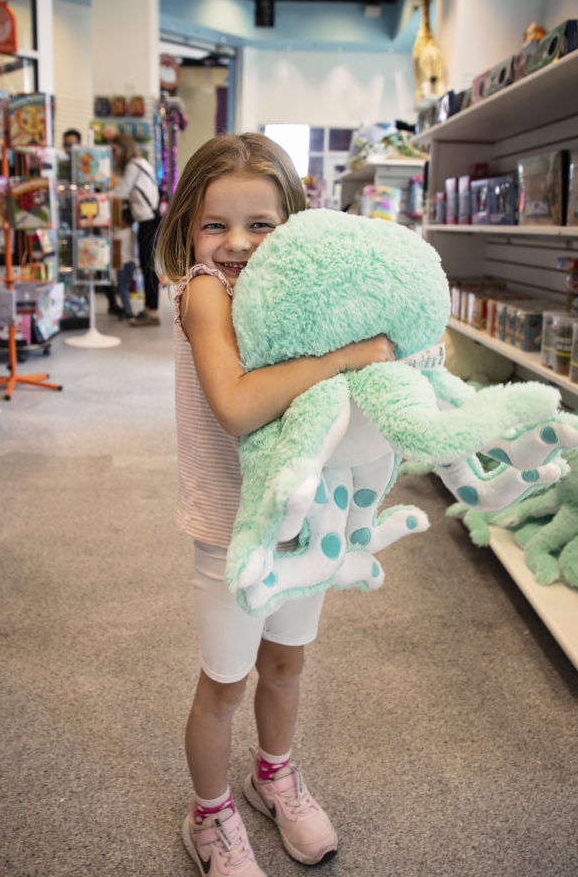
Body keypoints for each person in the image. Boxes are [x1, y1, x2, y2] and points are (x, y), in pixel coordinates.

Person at [155, 132, 396, 877]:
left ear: (294, 226)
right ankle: (210, 814)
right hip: (232, 531)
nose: (237, 244)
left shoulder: (297, 296)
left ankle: (273, 777)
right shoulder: (204, 291)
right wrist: (342, 357)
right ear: (188, 230)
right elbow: (234, 406)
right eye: (216, 224)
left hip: (304, 519)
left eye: (260, 225)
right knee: (224, 682)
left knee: (287, 665)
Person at [110, 132, 161, 326]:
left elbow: (121, 191)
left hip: (147, 220)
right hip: (148, 219)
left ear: (123, 148)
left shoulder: (133, 166)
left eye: (114, 150)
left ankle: (152, 312)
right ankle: (149, 308)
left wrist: (102, 192)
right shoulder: (140, 163)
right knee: (148, 265)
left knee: (148, 266)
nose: (113, 155)